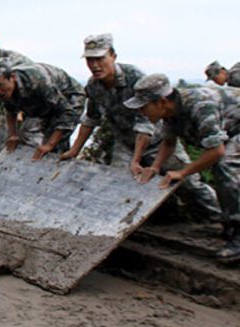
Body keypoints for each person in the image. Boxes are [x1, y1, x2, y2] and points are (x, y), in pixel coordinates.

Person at [61, 34, 222, 222]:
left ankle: (221, 222)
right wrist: (74, 150)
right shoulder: (93, 86)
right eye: (90, 59)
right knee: (118, 185)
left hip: (157, 140)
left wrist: (137, 159)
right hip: (125, 143)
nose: (95, 65)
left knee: (188, 183)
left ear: (112, 55)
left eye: (100, 58)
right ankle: (133, 228)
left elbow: (145, 125)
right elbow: (91, 118)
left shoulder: (135, 78)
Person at [124, 74, 240, 264]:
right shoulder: (171, 111)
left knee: (226, 165)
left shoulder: (200, 106)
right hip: (233, 130)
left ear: (161, 102)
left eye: (144, 106)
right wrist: (155, 167)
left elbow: (216, 151)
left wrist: (182, 172)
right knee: (223, 167)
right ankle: (231, 225)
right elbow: (169, 142)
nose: (142, 112)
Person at [0, 58, 85, 160]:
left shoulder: (38, 82)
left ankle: (58, 169)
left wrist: (50, 144)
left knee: (54, 144)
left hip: (70, 98)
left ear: (12, 78)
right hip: (45, 104)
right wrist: (13, 134)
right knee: (32, 137)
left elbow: (67, 113)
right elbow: (10, 108)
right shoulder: (4, 89)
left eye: (0, 85)